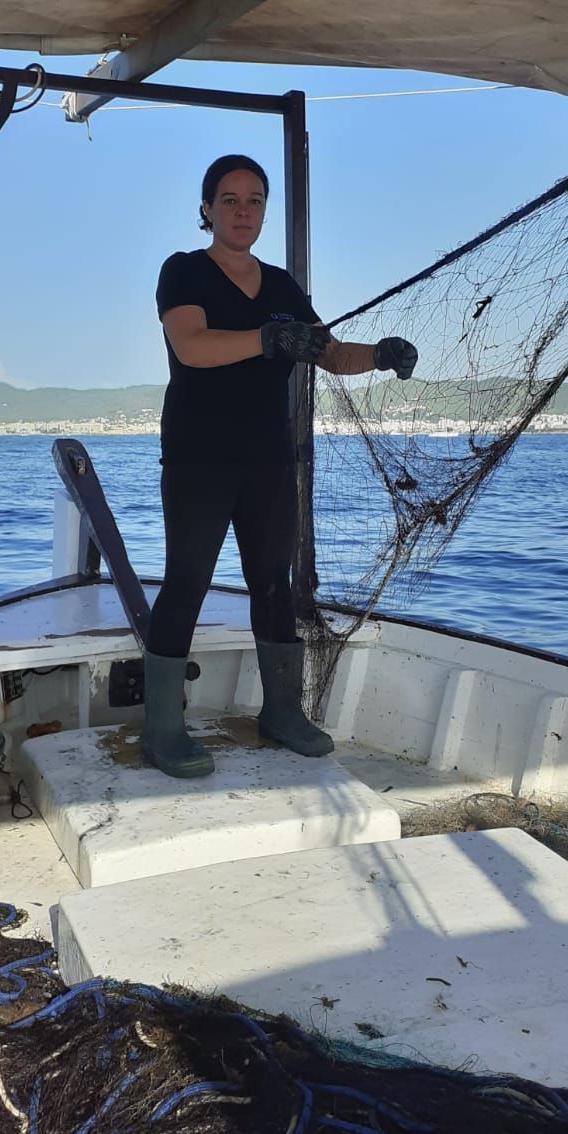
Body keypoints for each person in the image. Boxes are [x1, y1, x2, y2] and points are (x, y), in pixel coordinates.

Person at [142, 152, 418, 778]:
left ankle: (282, 713)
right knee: (187, 579)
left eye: (255, 200)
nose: (243, 211)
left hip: (268, 458)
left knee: (275, 581)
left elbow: (328, 352)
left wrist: (378, 353)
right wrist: (266, 340)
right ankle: (160, 729)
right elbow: (191, 346)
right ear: (207, 208)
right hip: (198, 456)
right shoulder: (184, 272)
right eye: (230, 200)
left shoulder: (284, 287)